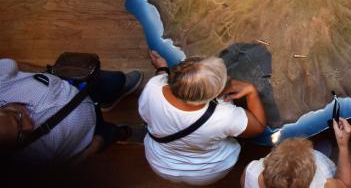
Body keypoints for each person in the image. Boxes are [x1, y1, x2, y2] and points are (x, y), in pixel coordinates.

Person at [139, 51, 267, 185]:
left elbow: (158, 88)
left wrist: (162, 68)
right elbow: (258, 127)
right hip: (207, 172)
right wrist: (251, 91)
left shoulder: (153, 86)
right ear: (214, 95)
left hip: (160, 164)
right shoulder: (224, 115)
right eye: (225, 81)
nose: (228, 78)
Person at [0, 57, 142, 165]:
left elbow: (14, 66)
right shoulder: (24, 166)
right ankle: (123, 132)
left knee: (116, 80)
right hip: (90, 133)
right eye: (20, 136)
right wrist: (95, 145)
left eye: (18, 119)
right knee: (112, 133)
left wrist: (51, 71)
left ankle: (112, 94)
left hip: (81, 85)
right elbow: (64, 171)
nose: (28, 126)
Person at [241, 123, 351, 188]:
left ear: (266, 167)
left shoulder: (250, 172)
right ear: (308, 180)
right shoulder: (324, 184)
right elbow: (345, 185)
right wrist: (343, 145)